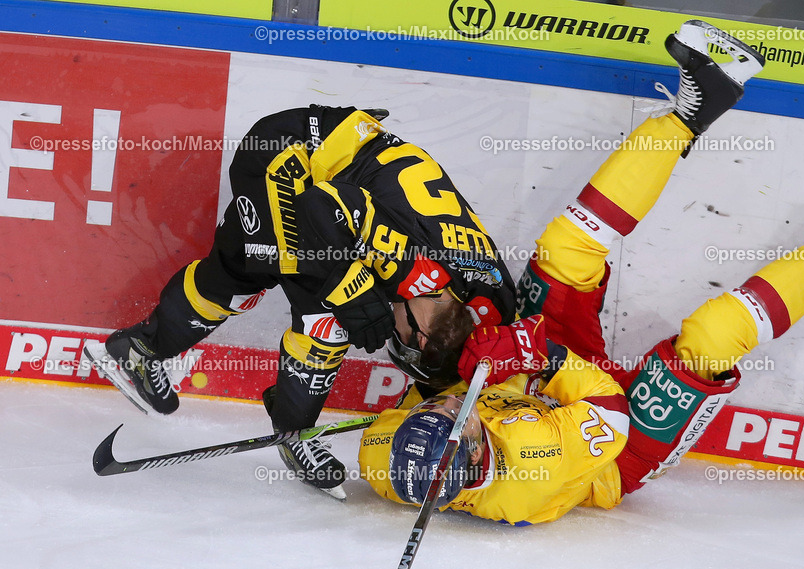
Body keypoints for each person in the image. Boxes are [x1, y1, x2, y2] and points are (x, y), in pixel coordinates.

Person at [356, 20, 804, 524]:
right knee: (713, 339)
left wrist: (438, 405)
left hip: (525, 386)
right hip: (611, 443)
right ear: (479, 453)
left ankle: (693, 110)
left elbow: (413, 415)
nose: (449, 405)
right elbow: (607, 405)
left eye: (437, 411)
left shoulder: (386, 455)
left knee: (564, 250)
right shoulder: (530, 474)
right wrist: (536, 355)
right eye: (455, 417)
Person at [87, 105, 517, 500]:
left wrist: (475, 385)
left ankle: (138, 349)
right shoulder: (402, 250)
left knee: (240, 272)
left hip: (321, 158)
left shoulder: (487, 290)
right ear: (422, 336)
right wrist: (354, 295)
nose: (394, 331)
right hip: (285, 162)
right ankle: (295, 431)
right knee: (331, 314)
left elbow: (499, 331)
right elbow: (318, 209)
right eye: (402, 340)